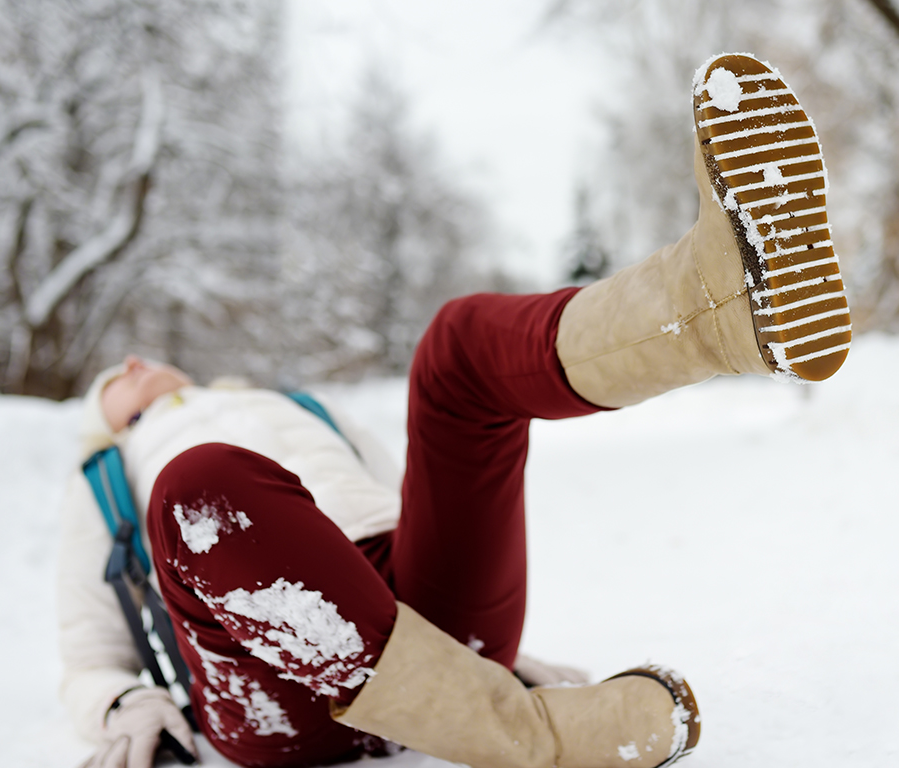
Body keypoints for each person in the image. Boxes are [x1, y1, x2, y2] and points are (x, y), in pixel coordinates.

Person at [57, 53, 850, 768]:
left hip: (415, 618)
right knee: (200, 488)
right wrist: (126, 705)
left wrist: (466, 655)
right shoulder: (107, 476)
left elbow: (428, 500)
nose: (132, 365)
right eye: (114, 381)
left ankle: (714, 304)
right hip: (277, 683)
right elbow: (88, 645)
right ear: (111, 418)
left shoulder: (297, 405)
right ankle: (528, 734)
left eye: (139, 360)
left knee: (455, 347)